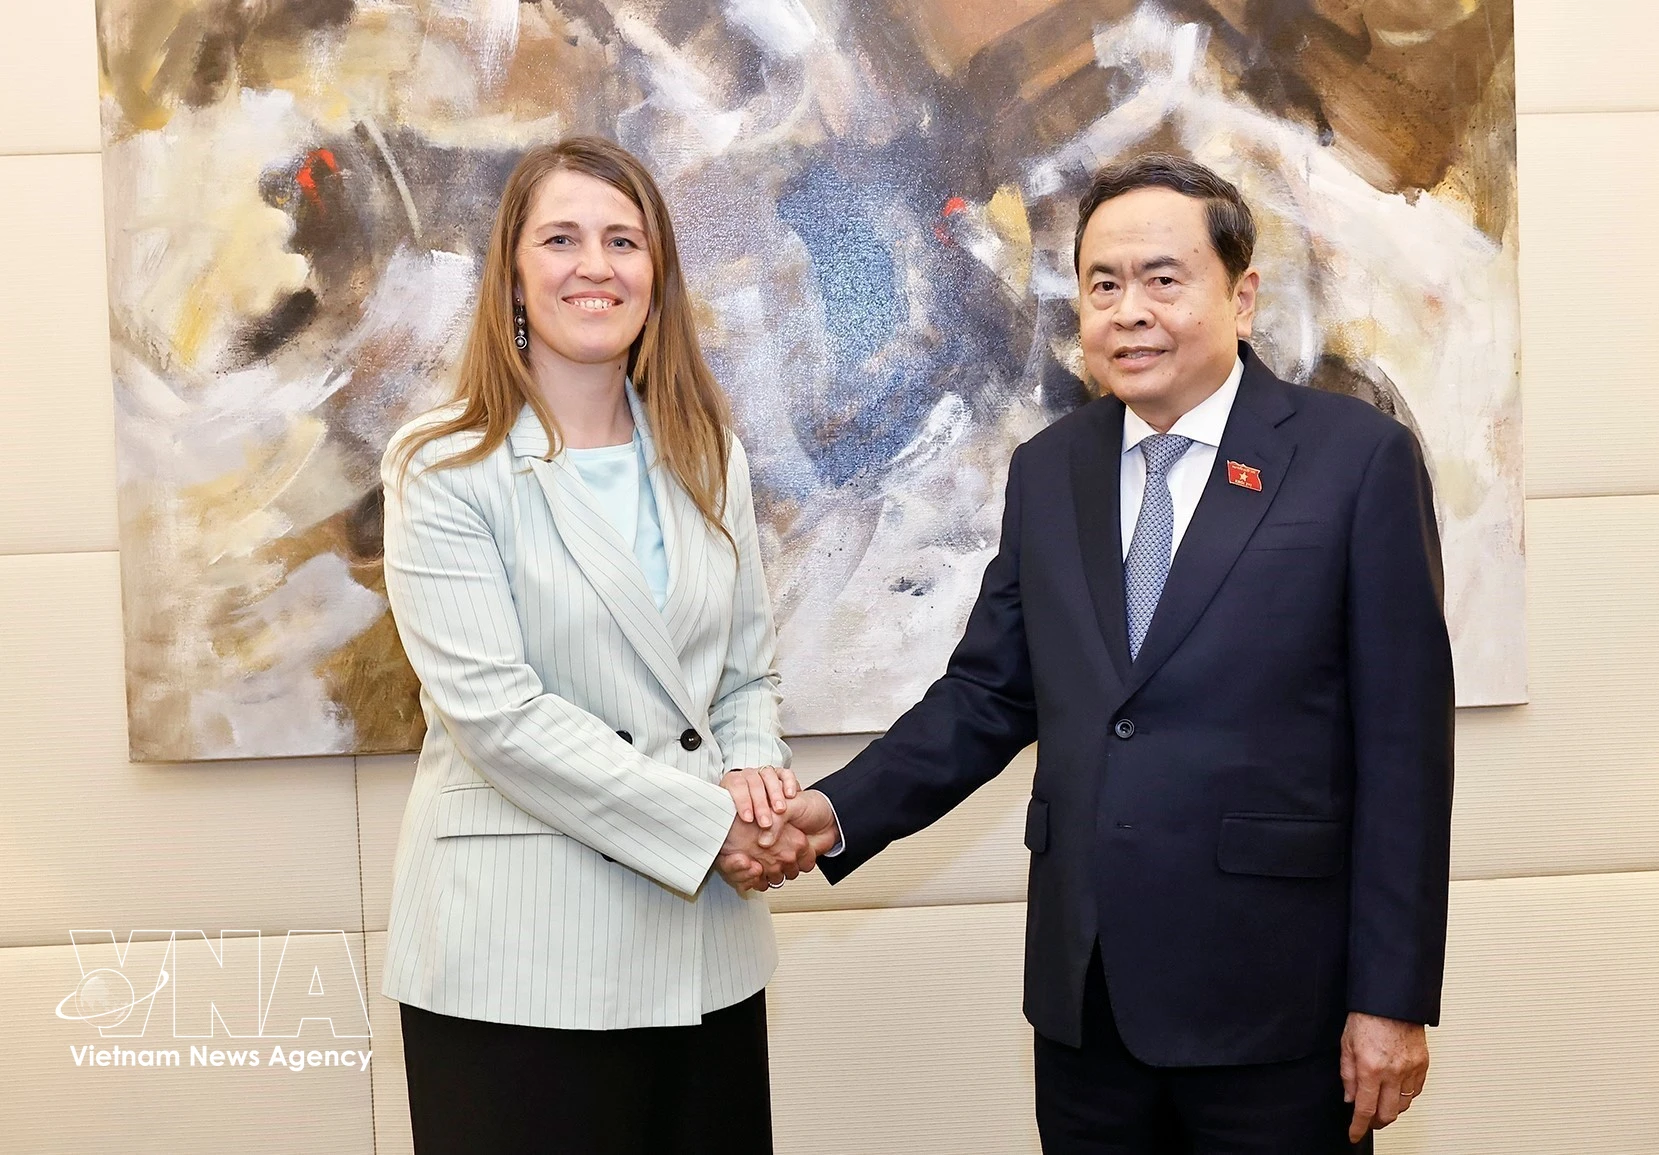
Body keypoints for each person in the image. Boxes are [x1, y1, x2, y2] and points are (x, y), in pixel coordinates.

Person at [766, 154, 1455, 1152]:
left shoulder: (1355, 462)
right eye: (1102, 284)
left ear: (1241, 295)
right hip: (1087, 1006)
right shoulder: (1051, 472)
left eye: (1163, 280)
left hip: (1277, 1009)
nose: (1128, 309)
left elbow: (1403, 754)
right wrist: (831, 813)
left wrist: (1391, 1000)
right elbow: (988, 696)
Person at [380, 136, 813, 1155]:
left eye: (624, 241)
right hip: (516, 958)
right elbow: (499, 717)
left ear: (655, 275)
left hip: (699, 954)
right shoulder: (443, 464)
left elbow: (745, 671)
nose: (596, 265)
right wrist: (716, 827)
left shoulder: (710, 451)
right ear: (515, 276)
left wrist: (753, 767)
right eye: (562, 239)